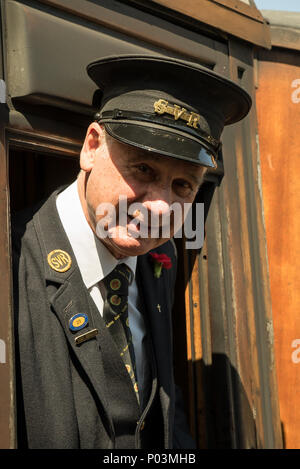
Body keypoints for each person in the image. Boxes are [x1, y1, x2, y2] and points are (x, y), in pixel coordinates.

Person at [12, 55, 251, 449]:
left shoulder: (162, 260)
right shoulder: (14, 260)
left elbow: (160, 403)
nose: (160, 207)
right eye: (143, 169)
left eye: (182, 187)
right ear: (91, 147)